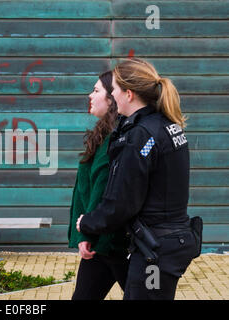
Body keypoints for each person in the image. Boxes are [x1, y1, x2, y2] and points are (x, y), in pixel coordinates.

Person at [77, 58, 200, 300]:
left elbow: (122, 202)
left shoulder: (142, 136)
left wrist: (87, 223)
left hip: (155, 251)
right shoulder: (165, 126)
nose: (113, 96)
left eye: (115, 91)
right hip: (164, 244)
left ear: (129, 94)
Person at [68, 70, 130, 300]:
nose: (90, 96)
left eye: (96, 91)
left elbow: (101, 189)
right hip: (103, 242)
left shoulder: (112, 139)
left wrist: (88, 231)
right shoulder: (104, 135)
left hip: (108, 242)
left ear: (112, 99)